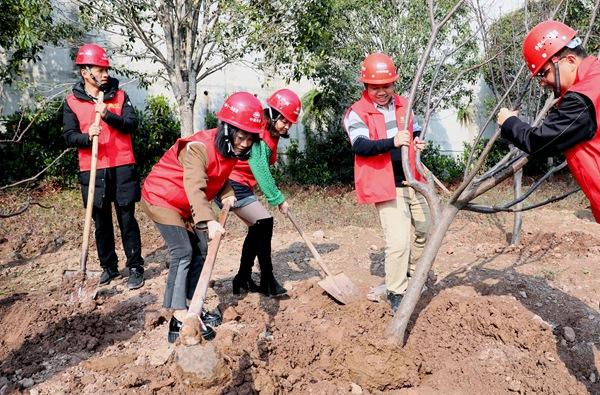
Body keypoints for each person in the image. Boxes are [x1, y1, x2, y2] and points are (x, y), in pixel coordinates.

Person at [140, 92, 263, 343]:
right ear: (227, 129)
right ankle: (178, 315)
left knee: (202, 250)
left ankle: (193, 303)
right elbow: (195, 187)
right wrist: (209, 221)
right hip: (162, 198)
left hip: (185, 205)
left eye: (250, 139)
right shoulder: (198, 148)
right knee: (183, 252)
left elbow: (218, 176)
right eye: (241, 137)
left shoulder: (228, 150)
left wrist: (227, 192)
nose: (244, 144)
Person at [343, 53, 430, 312]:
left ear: (394, 84)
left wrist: (418, 143)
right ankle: (396, 291)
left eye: (386, 85)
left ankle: (414, 276)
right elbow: (360, 146)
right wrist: (392, 142)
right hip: (386, 184)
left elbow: (414, 132)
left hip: (413, 180)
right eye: (375, 87)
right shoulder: (356, 113)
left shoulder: (406, 104)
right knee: (399, 242)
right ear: (366, 87)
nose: (381, 92)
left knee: (427, 229)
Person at [497, 20, 600, 222]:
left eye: (544, 73)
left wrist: (509, 123)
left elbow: (542, 142)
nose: (543, 82)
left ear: (570, 60)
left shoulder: (584, 97)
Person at [63, 43, 145, 290]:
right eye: (100, 69)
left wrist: (108, 115)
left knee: (127, 218)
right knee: (100, 220)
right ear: (85, 72)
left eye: (107, 69)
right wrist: (88, 137)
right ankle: (109, 267)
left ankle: (135, 267)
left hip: (122, 165)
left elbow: (132, 124)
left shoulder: (119, 96)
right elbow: (69, 135)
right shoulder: (72, 101)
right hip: (92, 167)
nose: (106, 73)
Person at [225, 88, 302, 297]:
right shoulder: (260, 131)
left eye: (290, 123)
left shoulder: (272, 133)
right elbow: (260, 168)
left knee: (258, 226)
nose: (287, 126)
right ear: (274, 114)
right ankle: (267, 278)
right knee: (264, 222)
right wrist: (278, 199)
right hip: (230, 183)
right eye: (284, 120)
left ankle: (242, 278)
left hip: (242, 183)